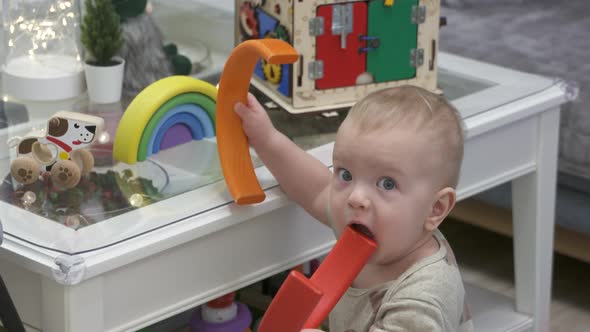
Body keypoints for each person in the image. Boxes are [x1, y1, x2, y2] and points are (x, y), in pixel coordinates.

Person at [234, 85, 474, 331]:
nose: (355, 197)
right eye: (346, 174)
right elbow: (316, 189)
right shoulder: (390, 229)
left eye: (387, 183)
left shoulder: (423, 299)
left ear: (435, 209)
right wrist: (266, 139)